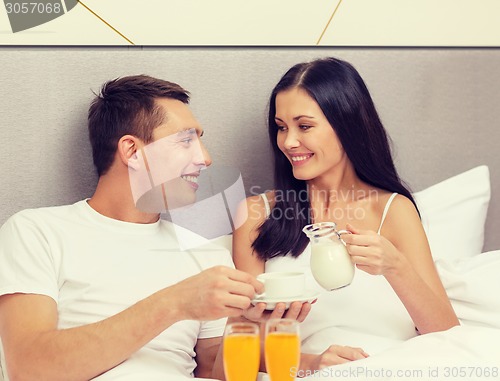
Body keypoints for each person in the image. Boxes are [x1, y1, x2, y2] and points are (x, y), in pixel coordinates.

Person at [0, 75, 271, 381]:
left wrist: (246, 324)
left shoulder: (206, 256)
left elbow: (214, 371)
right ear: (131, 151)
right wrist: (174, 303)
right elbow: (28, 368)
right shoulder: (37, 232)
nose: (205, 158)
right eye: (185, 140)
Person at [232, 57, 460, 373]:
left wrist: (396, 266)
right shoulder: (257, 214)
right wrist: (311, 363)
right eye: (281, 127)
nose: (288, 141)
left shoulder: (393, 211)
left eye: (305, 126)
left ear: (347, 125)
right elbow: (241, 341)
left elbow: (448, 334)